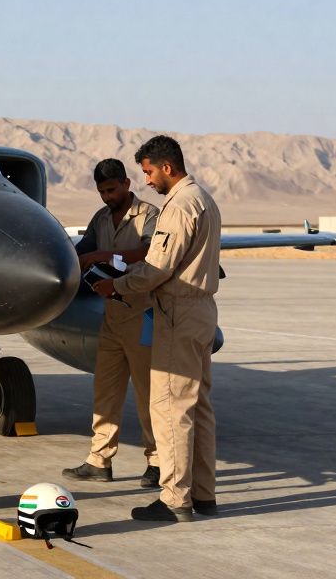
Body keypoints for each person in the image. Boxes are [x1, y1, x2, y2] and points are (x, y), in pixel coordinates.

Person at [91, 135, 221, 523]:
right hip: (201, 311)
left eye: (148, 171)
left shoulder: (179, 206)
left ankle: (175, 499)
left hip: (178, 313)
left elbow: (158, 267)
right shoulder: (204, 199)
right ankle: (203, 494)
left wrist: (116, 284)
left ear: (167, 167)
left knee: (169, 408)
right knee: (198, 407)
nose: (146, 179)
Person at [62, 159, 161, 488]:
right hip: (112, 316)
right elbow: (84, 250)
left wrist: (105, 257)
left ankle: (158, 461)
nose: (107, 196)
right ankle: (99, 460)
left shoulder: (149, 215)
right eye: (102, 192)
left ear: (126, 184)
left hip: (142, 313)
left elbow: (151, 252)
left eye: (112, 190)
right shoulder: (101, 218)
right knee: (106, 390)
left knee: (149, 394)